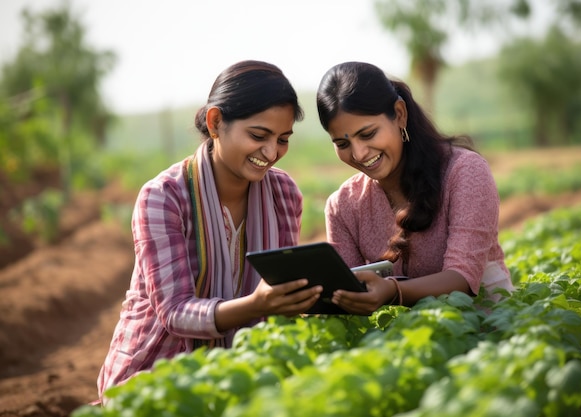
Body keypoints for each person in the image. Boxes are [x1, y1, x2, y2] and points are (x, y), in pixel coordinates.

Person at [97, 60, 322, 403]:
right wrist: (254, 305)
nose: (271, 152)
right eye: (258, 136)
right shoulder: (165, 197)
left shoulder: (284, 194)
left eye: (283, 139)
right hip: (157, 377)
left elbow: (277, 285)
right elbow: (174, 313)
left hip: (241, 377)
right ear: (216, 123)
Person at [316, 61, 514, 315]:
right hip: (410, 341)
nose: (359, 153)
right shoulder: (342, 205)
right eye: (342, 144)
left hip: (491, 323)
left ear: (399, 114)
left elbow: (462, 278)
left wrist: (392, 291)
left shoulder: (463, 171)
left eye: (367, 134)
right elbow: (350, 295)